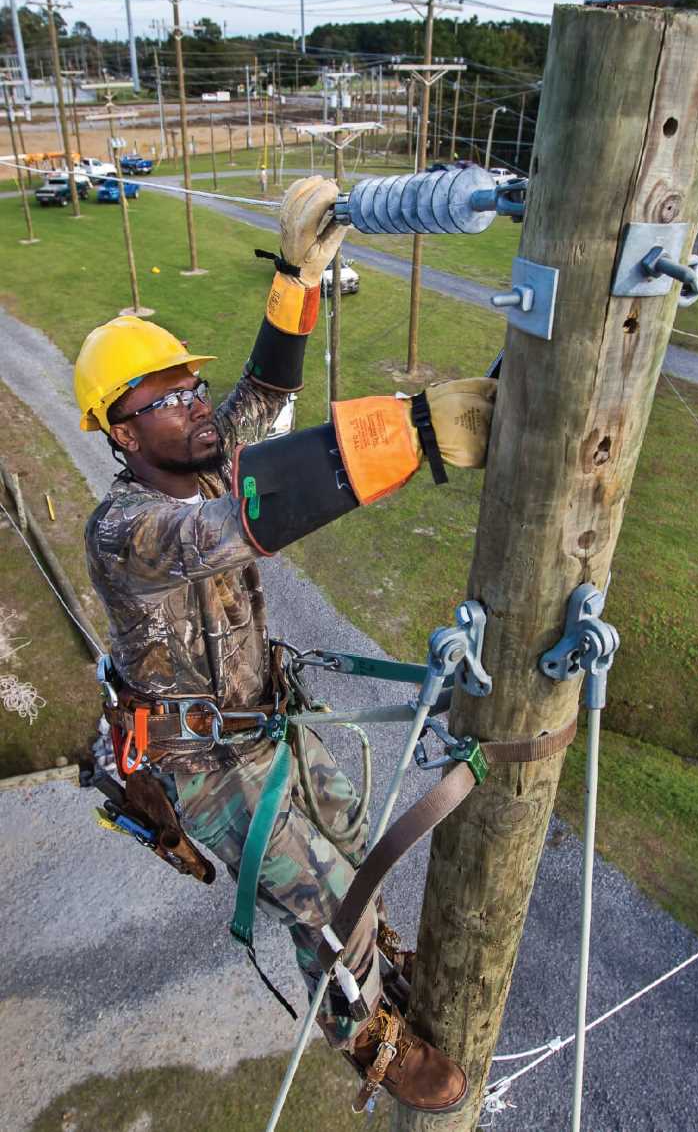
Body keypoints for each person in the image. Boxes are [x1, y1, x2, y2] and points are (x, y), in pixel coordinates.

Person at [75, 175, 497, 1116]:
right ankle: (367, 1034)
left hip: (266, 720)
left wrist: (297, 275)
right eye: (164, 397)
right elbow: (248, 517)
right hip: (199, 759)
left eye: (189, 384)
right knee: (323, 898)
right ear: (117, 427)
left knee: (355, 837)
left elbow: (266, 391)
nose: (193, 404)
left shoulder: (201, 455)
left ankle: (376, 956)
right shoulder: (129, 528)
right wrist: (421, 430)